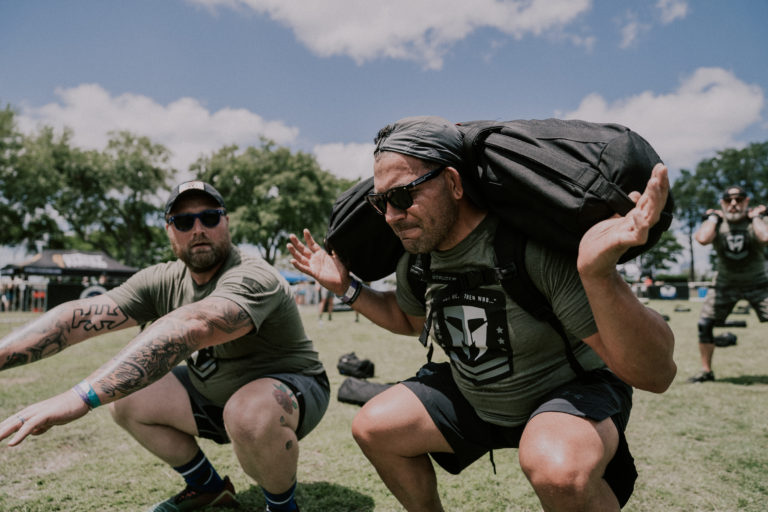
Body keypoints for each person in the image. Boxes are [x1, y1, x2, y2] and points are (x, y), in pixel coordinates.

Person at [287, 116, 676, 511]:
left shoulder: (531, 250)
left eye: (402, 196)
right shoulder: (419, 259)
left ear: (454, 183)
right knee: (374, 428)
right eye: (381, 201)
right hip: (477, 396)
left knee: (556, 468)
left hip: (565, 391)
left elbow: (656, 375)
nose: (390, 216)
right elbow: (407, 319)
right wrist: (346, 288)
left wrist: (598, 275)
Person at [0, 180, 330, 512]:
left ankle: (283, 508)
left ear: (226, 222)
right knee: (126, 395)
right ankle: (207, 488)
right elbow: (76, 318)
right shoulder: (162, 279)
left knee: (248, 412)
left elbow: (193, 326)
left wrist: (81, 396)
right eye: (184, 222)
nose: (198, 229)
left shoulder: (252, 274)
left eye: (210, 217)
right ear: (170, 231)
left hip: (289, 394)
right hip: (212, 396)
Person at [687, 185, 768, 383]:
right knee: (705, 324)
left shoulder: (758, 221)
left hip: (759, 284)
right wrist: (713, 218)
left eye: (739, 199)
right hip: (725, 284)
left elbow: (765, 237)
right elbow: (703, 239)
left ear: (746, 202)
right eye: (728, 200)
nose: (733, 204)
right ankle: (706, 371)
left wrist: (756, 217)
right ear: (722, 203)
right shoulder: (716, 223)